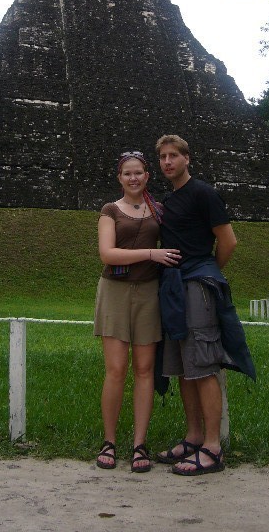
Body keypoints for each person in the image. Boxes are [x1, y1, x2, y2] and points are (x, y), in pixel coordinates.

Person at [154, 134, 255, 476]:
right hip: (174, 286)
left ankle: (212, 447)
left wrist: (207, 271)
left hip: (196, 283)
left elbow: (228, 241)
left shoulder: (203, 193)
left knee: (204, 364)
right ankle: (194, 436)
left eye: (173, 156)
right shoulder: (170, 199)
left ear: (187, 158)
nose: (167, 162)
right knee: (184, 367)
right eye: (163, 157)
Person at [94, 150, 182, 472]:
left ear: (147, 176)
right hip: (115, 292)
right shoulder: (109, 210)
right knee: (116, 369)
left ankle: (139, 444)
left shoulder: (158, 211)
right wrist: (150, 253)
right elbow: (108, 254)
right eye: (126, 173)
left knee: (145, 370)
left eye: (138, 173)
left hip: (148, 293)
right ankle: (109, 441)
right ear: (119, 178)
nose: (133, 178)